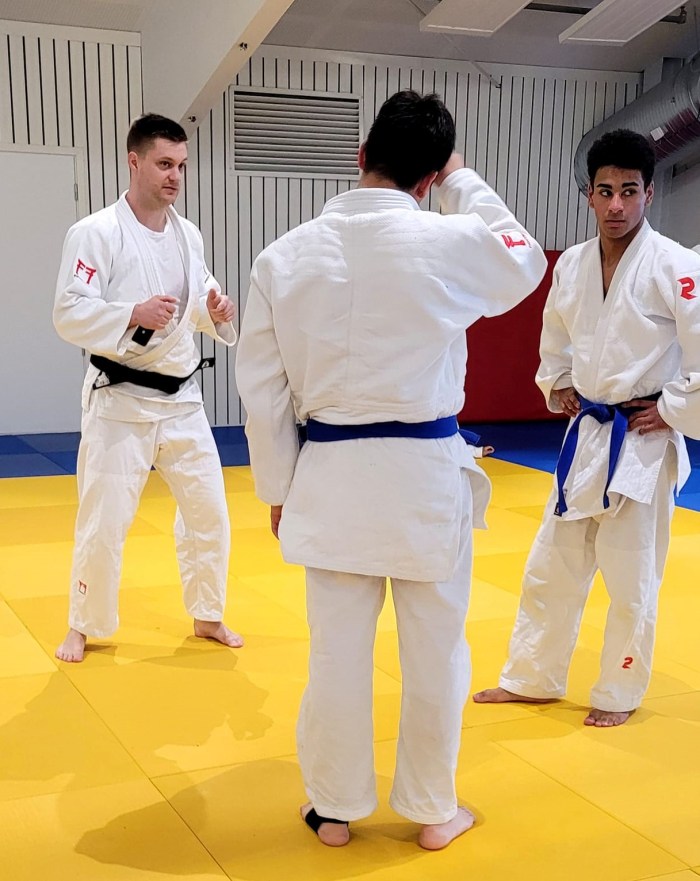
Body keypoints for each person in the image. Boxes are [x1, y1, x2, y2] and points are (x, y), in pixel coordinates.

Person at [236, 90, 546, 849]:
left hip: (329, 473)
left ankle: (333, 807)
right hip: (423, 476)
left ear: (361, 156)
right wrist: (464, 182)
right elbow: (525, 257)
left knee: (336, 652)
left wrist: (278, 488)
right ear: (431, 177)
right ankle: (433, 808)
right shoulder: (449, 240)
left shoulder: (282, 256)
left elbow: (263, 391)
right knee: (436, 650)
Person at [474, 129, 700, 727]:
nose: (616, 204)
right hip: (590, 436)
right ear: (589, 195)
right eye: (605, 191)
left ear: (649, 193)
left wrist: (674, 408)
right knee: (552, 566)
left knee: (631, 578)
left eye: (629, 190)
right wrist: (558, 382)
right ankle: (532, 677)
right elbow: (554, 337)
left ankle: (618, 692)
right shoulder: (572, 264)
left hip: (642, 441)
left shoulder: (678, 265)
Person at [53, 113, 243, 663]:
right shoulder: (95, 233)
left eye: (181, 165)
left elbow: (196, 298)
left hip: (182, 400)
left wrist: (215, 310)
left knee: (209, 514)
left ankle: (207, 613)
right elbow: (68, 312)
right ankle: (83, 625)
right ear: (134, 162)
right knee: (104, 521)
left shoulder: (188, 234)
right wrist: (130, 313)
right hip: (120, 399)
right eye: (164, 164)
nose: (175, 176)